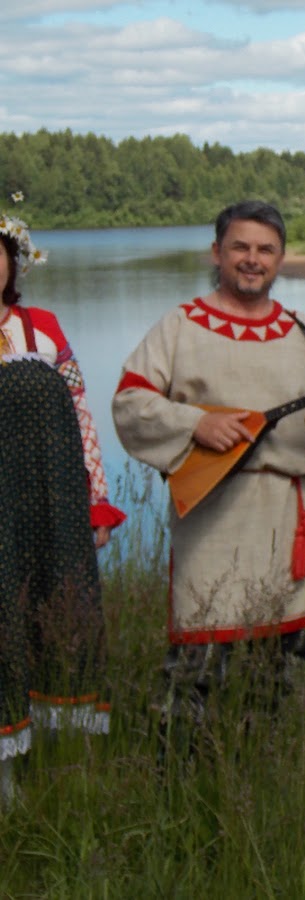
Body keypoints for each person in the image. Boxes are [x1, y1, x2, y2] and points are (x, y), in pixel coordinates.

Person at [112, 200, 305, 745]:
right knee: (197, 657)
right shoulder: (181, 325)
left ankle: (261, 764)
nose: (253, 260)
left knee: (278, 665)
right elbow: (130, 402)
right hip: (213, 514)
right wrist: (194, 425)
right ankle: (177, 772)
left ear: (280, 258)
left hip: (286, 508)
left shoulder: (304, 330)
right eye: (241, 247)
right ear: (217, 252)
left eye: (265, 249)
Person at [0, 195, 125, 805]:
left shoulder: (42, 328)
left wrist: (95, 500)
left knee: (53, 612)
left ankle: (54, 760)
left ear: (11, 263)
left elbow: (79, 414)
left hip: (49, 505)